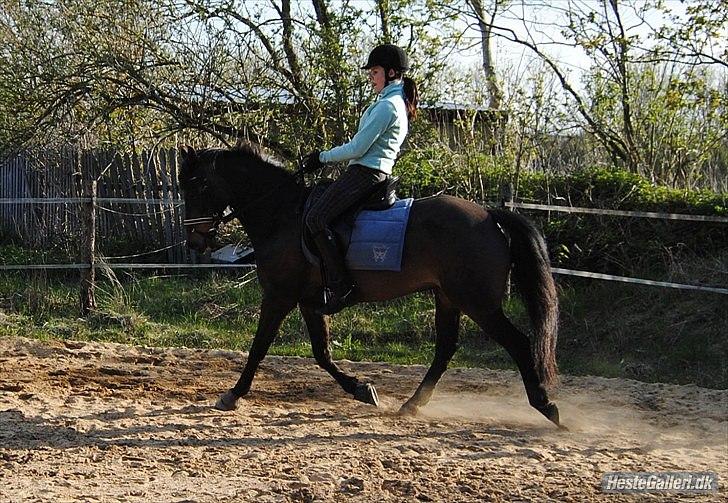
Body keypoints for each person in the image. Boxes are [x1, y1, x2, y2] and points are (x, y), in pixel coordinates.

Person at [303, 43, 419, 315]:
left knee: (315, 218)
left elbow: (357, 148)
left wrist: (321, 157)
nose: (371, 77)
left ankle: (341, 286)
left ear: (391, 73)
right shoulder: (390, 102)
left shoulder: (387, 106)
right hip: (369, 171)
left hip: (366, 172)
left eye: (375, 72)